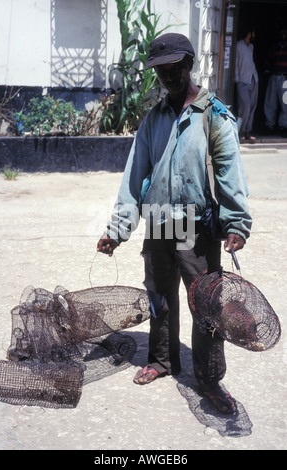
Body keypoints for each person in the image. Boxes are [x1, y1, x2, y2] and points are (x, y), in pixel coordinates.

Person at [97, 33, 252, 414]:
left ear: (189, 65)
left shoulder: (213, 114)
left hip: (196, 227)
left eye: (175, 68)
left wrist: (235, 223)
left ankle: (210, 378)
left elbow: (231, 173)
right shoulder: (154, 119)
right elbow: (135, 177)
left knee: (206, 304)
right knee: (158, 295)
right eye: (161, 71)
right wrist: (117, 230)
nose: (168, 75)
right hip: (159, 224)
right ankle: (163, 360)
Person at [235, 27, 259, 143]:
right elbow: (235, 63)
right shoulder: (238, 46)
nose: (254, 35)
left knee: (252, 107)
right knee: (245, 107)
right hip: (242, 81)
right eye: (252, 32)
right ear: (248, 33)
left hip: (253, 80)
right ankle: (241, 131)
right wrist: (237, 79)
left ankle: (248, 131)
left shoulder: (251, 47)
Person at [264, 27, 287, 136]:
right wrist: (267, 72)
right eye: (282, 32)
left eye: (285, 33)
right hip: (274, 77)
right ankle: (269, 125)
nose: (283, 35)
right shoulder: (274, 47)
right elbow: (268, 61)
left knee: (285, 103)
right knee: (270, 102)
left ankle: (284, 126)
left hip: (285, 78)